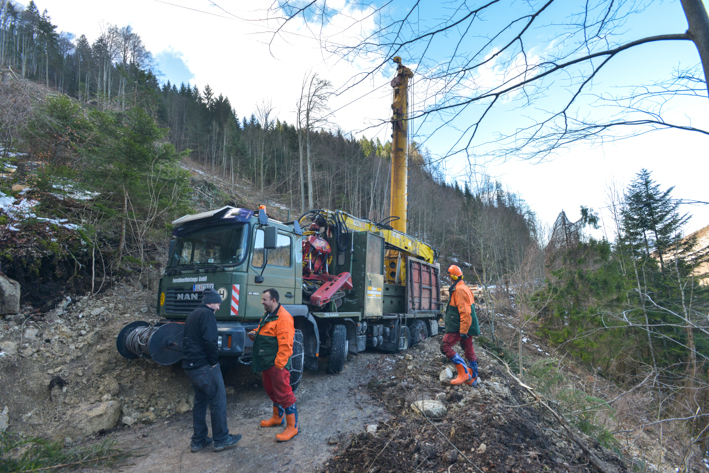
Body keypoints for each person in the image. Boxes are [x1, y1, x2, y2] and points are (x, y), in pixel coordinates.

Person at [182, 288, 241, 452]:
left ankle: (198, 440)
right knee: (218, 399)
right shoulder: (207, 314)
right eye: (218, 303)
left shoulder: (193, 314)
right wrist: (214, 362)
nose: (218, 308)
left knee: (200, 402)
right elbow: (210, 340)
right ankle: (221, 439)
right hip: (204, 367)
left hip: (190, 366)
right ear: (211, 302)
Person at [248, 288, 298, 442]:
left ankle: (292, 427)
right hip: (266, 363)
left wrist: (279, 365)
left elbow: (286, 344)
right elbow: (265, 331)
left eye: (264, 299)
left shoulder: (284, 317)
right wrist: (255, 333)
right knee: (272, 391)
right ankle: (277, 418)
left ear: (273, 300)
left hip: (276, 365)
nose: (262, 302)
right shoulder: (268, 315)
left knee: (284, 393)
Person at [441, 265, 480, 387]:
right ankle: (473, 377)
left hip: (460, 325)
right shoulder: (464, 287)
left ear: (452, 277)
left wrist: (463, 331)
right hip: (466, 325)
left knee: (445, 346)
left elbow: (465, 312)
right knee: (468, 348)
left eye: (449, 277)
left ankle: (464, 373)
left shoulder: (459, 290)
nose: (449, 279)